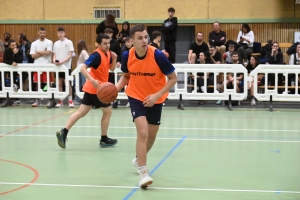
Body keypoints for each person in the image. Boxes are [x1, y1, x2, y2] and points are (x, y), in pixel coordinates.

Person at [116, 24, 177, 187]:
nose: (144, 41)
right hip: (136, 95)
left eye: (146, 37)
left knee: (151, 136)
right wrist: (115, 88)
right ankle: (143, 173)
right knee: (142, 132)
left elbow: (173, 78)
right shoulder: (127, 56)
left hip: (156, 98)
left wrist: (157, 95)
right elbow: (127, 76)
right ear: (131, 41)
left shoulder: (157, 55)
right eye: (140, 38)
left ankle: (138, 159)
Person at [56, 33, 118, 149]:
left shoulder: (108, 53)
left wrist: (114, 58)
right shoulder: (96, 55)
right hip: (98, 89)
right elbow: (83, 68)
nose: (107, 45)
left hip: (93, 89)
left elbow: (111, 68)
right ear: (98, 44)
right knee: (108, 112)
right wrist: (92, 80)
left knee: (81, 112)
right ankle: (104, 139)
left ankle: (63, 132)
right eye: (104, 43)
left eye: (108, 43)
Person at [30, 27, 53, 107]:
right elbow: (33, 56)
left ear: (45, 33)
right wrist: (44, 52)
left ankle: (49, 99)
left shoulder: (49, 42)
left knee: (47, 83)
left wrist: (39, 52)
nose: (42, 34)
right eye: (41, 33)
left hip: (47, 65)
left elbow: (48, 52)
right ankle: (37, 100)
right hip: (37, 66)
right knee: (37, 83)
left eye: (43, 33)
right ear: (38, 33)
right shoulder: (34, 43)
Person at [53, 27, 75, 108]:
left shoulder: (69, 42)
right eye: (59, 33)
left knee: (67, 83)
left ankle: (70, 101)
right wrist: (54, 60)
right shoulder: (55, 43)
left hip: (66, 66)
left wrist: (62, 61)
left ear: (64, 33)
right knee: (59, 83)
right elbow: (54, 55)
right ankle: (60, 100)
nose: (60, 35)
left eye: (61, 33)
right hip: (58, 67)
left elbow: (70, 55)